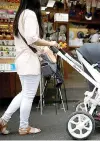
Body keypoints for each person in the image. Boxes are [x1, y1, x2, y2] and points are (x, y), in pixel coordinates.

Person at [0, 0, 59, 135]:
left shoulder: (20, 15)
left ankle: (3, 121)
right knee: (28, 95)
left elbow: (28, 40)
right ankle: (23, 126)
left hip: (22, 61)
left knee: (24, 94)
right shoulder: (30, 14)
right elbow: (32, 38)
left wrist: (43, 48)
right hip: (29, 62)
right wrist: (50, 43)